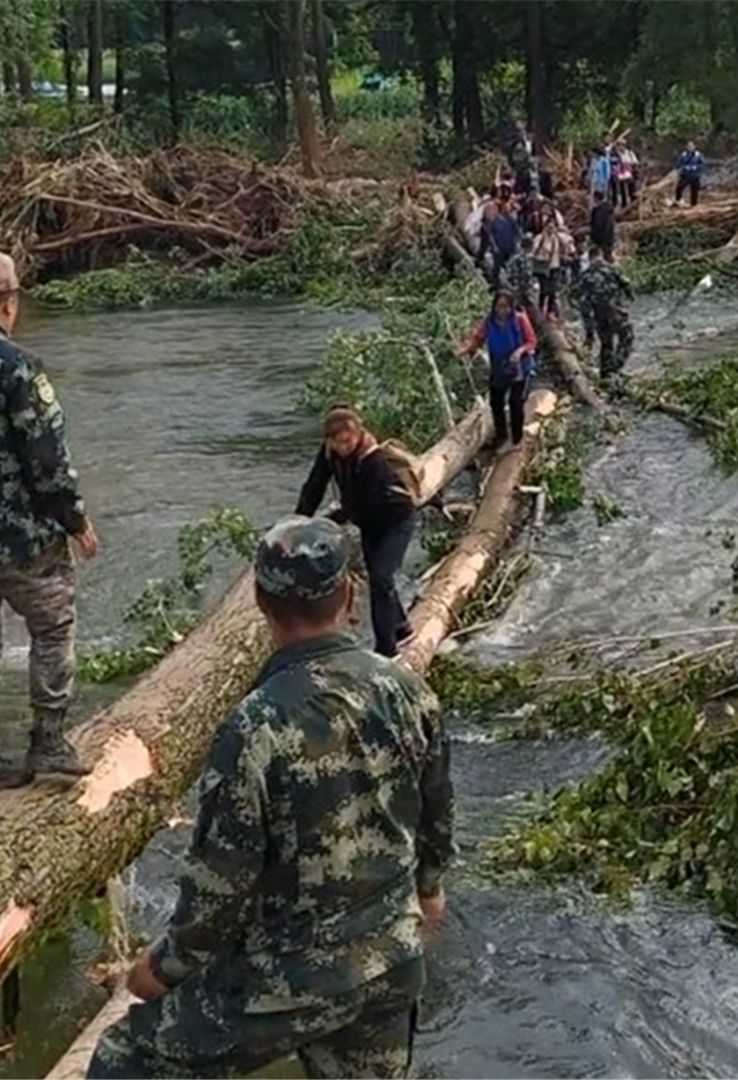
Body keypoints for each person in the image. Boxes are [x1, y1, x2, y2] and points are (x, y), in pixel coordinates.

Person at [88, 515, 452, 1080]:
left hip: (292, 977)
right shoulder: (408, 691)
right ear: (348, 594)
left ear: (260, 601)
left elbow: (220, 884)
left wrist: (161, 969)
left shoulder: (255, 725)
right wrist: (428, 889)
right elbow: (437, 810)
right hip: (393, 961)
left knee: (122, 1057)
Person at [0, 253, 98, 789]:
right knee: (53, 628)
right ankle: (49, 741)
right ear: (9, 303)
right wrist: (76, 520)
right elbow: (46, 459)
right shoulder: (17, 367)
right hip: (22, 538)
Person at [294, 407, 418, 659]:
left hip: (396, 521)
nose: (343, 448)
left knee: (381, 578)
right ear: (328, 440)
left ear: (358, 435)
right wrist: (298, 520)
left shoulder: (373, 460)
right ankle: (402, 628)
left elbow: (358, 503)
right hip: (369, 523)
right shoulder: (329, 453)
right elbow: (315, 485)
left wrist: (326, 523)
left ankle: (386, 650)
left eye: (347, 442)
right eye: (337, 443)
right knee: (379, 579)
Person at [456, 291, 537, 449]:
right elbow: (479, 338)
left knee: (516, 404)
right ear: (494, 307)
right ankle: (501, 436)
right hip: (499, 367)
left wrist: (520, 351)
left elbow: (532, 341)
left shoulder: (519, 319)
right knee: (496, 402)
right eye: (500, 306)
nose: (504, 311)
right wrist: (465, 350)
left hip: (520, 368)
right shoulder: (490, 322)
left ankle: (517, 440)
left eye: (507, 307)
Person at [576, 250, 635, 379]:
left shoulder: (585, 276)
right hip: (616, 311)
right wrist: (630, 298)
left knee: (606, 342)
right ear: (601, 256)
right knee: (627, 337)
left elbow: (581, 300)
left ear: (590, 259)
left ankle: (606, 372)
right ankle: (617, 365)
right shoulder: (612, 269)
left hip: (599, 314)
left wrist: (589, 329)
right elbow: (627, 284)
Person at [675, 140, 705, 207]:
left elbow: (702, 164)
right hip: (685, 175)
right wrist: (684, 167)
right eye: (688, 146)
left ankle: (694, 204)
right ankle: (678, 200)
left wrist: (696, 167)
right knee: (679, 188)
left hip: (695, 175)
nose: (690, 147)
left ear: (694, 147)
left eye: (691, 146)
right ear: (686, 147)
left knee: (694, 190)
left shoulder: (698, 155)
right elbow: (678, 164)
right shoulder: (683, 154)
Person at [589, 194, 617, 263]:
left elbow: (598, 224)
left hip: (601, 237)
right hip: (609, 237)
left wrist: (594, 235)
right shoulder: (607, 209)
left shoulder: (599, 210)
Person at [614, 138, 639, 211]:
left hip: (630, 174)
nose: (621, 147)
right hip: (621, 175)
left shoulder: (630, 153)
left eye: (622, 145)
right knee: (622, 191)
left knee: (632, 190)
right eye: (619, 145)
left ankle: (634, 206)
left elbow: (635, 163)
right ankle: (624, 206)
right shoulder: (616, 154)